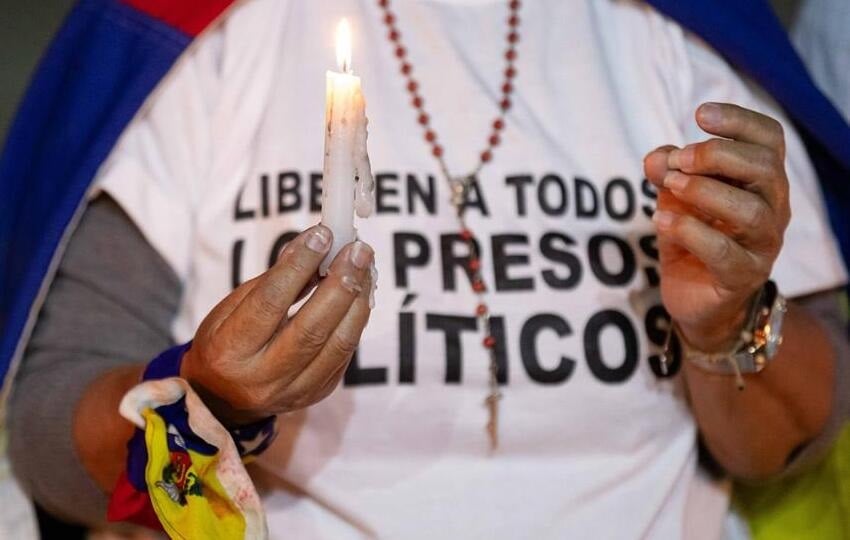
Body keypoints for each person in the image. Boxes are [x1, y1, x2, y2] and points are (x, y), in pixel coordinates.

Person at [5, 0, 849, 538]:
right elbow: (50, 441)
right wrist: (205, 399)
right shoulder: (194, 33)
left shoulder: (677, 32)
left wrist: (726, 323)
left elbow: (786, 447)